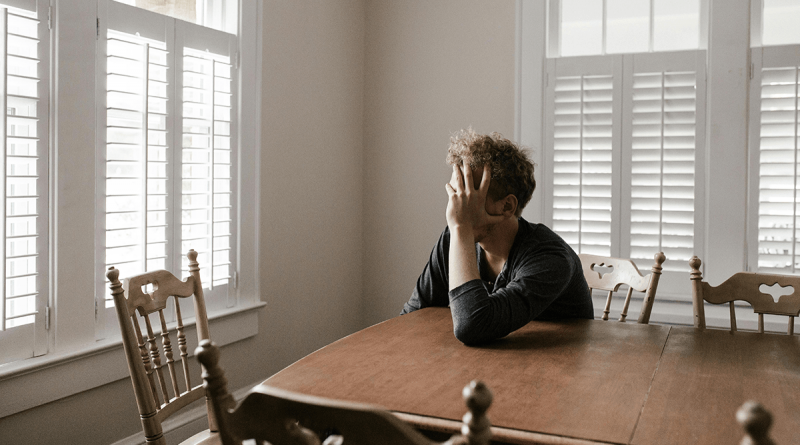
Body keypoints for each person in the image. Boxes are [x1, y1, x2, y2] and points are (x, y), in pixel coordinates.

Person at [401, 128, 593, 345]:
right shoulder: (454, 238)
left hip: (560, 369)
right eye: (455, 194)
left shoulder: (551, 258)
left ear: (507, 206)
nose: (455, 207)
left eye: (468, 196)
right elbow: (412, 316)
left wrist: (462, 228)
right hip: (487, 365)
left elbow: (472, 326)